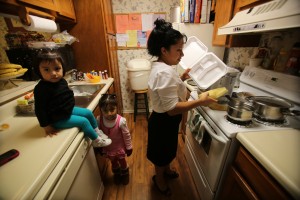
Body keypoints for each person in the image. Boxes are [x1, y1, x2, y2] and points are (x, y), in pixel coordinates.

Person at [146, 19, 217, 196]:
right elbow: (172, 108)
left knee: (168, 149)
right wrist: (200, 101)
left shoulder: (163, 67)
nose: (182, 54)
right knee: (161, 154)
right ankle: (159, 179)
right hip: (164, 121)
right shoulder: (164, 72)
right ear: (164, 50)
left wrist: (182, 79)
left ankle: (167, 170)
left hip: (165, 121)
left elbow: (169, 91)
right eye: (178, 49)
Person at [33, 49, 112, 147]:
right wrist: (46, 126)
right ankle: (96, 140)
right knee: (84, 122)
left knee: (88, 112)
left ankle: (97, 132)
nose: (53, 73)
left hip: (66, 111)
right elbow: (39, 109)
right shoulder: (41, 89)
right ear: (38, 71)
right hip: (56, 119)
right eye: (46, 70)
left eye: (57, 68)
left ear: (63, 68)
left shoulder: (62, 81)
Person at [96, 94, 133, 185]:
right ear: (101, 110)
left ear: (117, 107)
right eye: (105, 111)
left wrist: (129, 147)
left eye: (112, 110)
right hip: (108, 149)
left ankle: (125, 174)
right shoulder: (99, 120)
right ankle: (116, 174)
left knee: (122, 162)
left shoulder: (121, 121)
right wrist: (100, 147)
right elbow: (98, 134)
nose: (109, 113)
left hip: (119, 148)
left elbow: (127, 135)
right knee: (113, 162)